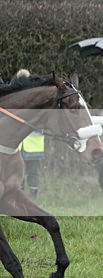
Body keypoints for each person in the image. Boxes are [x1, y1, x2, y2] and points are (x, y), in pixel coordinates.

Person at [12, 69, 46, 198]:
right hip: (23, 146)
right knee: (24, 173)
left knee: (30, 173)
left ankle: (31, 199)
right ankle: (23, 198)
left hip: (30, 146)